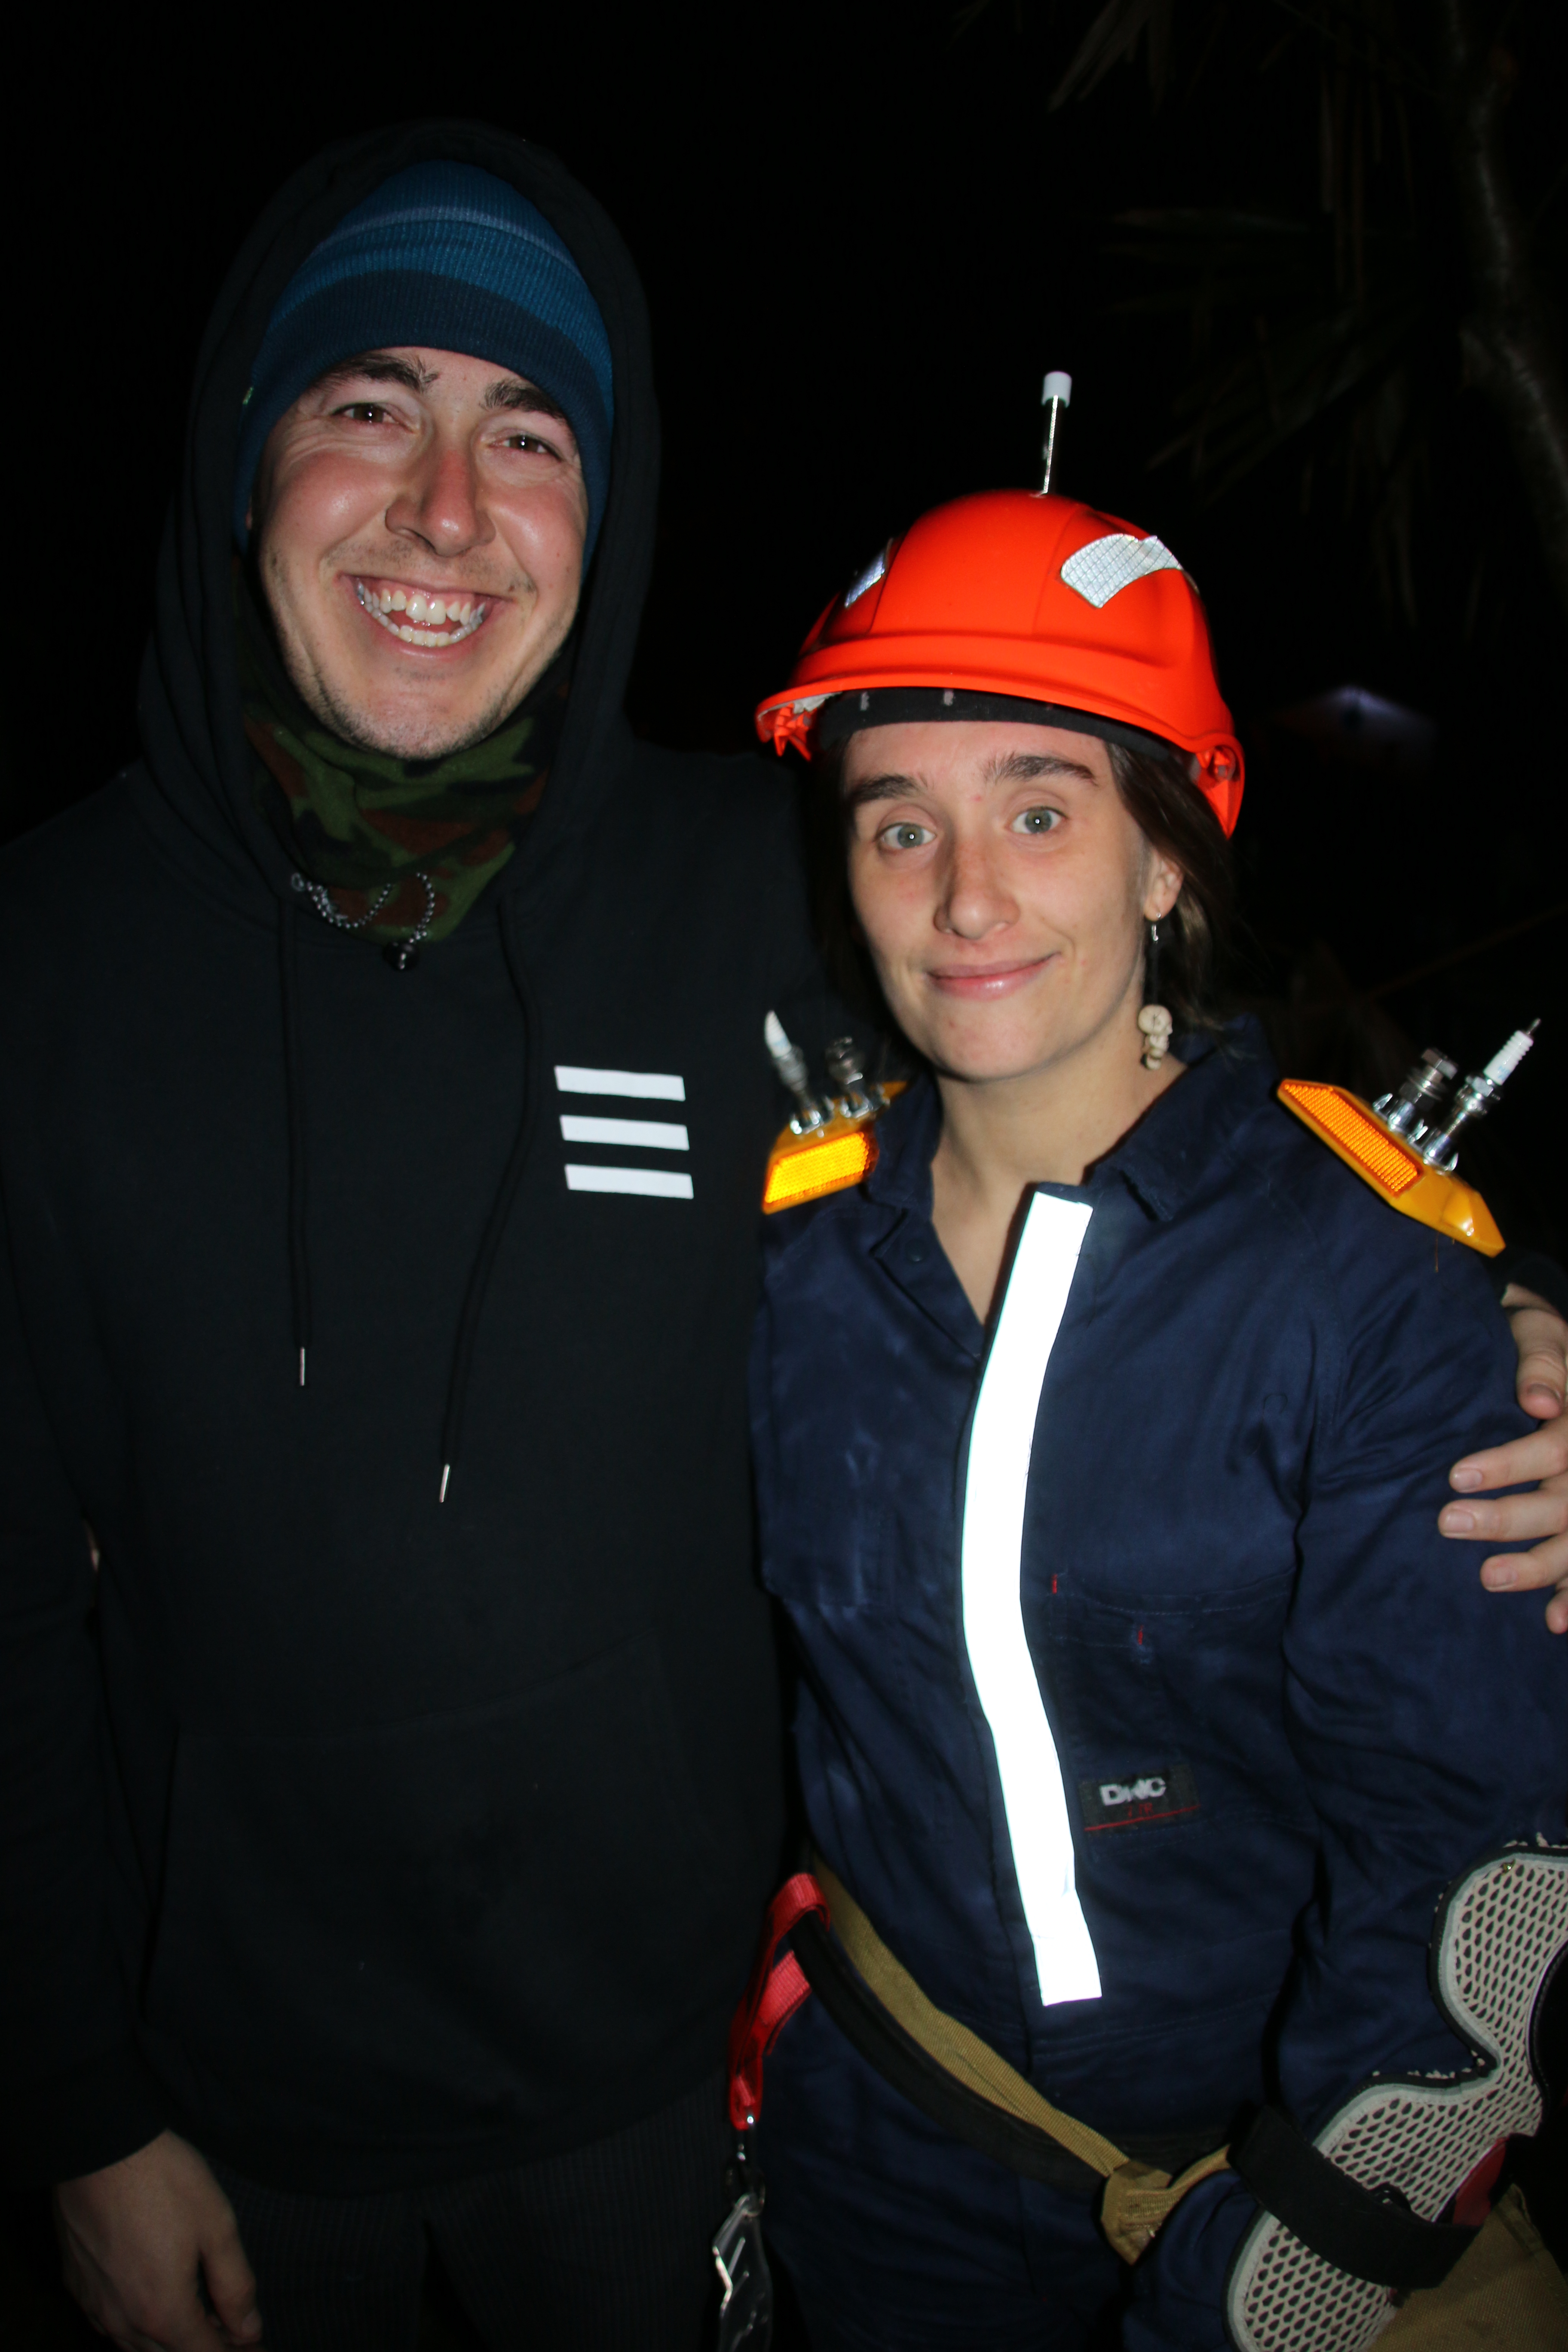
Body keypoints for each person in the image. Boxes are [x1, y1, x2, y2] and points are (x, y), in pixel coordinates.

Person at [0, 121, 1562, 2352]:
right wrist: (74, 2103)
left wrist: (1505, 1335)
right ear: (245, 455)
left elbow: (1152, 1104)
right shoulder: (44, 961)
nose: (442, 509)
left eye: (525, 433)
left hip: (673, 2099)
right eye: (368, 405)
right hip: (245, 2103)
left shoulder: (751, 888)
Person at [743, 487, 1568, 2349]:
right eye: (901, 824)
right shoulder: (790, 1269)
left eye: (1040, 811)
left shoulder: (1367, 1292)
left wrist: (1297, 2266)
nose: (967, 897)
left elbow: (1471, 1867)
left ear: (1168, 861)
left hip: (1259, 2190)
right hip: (881, 2172)